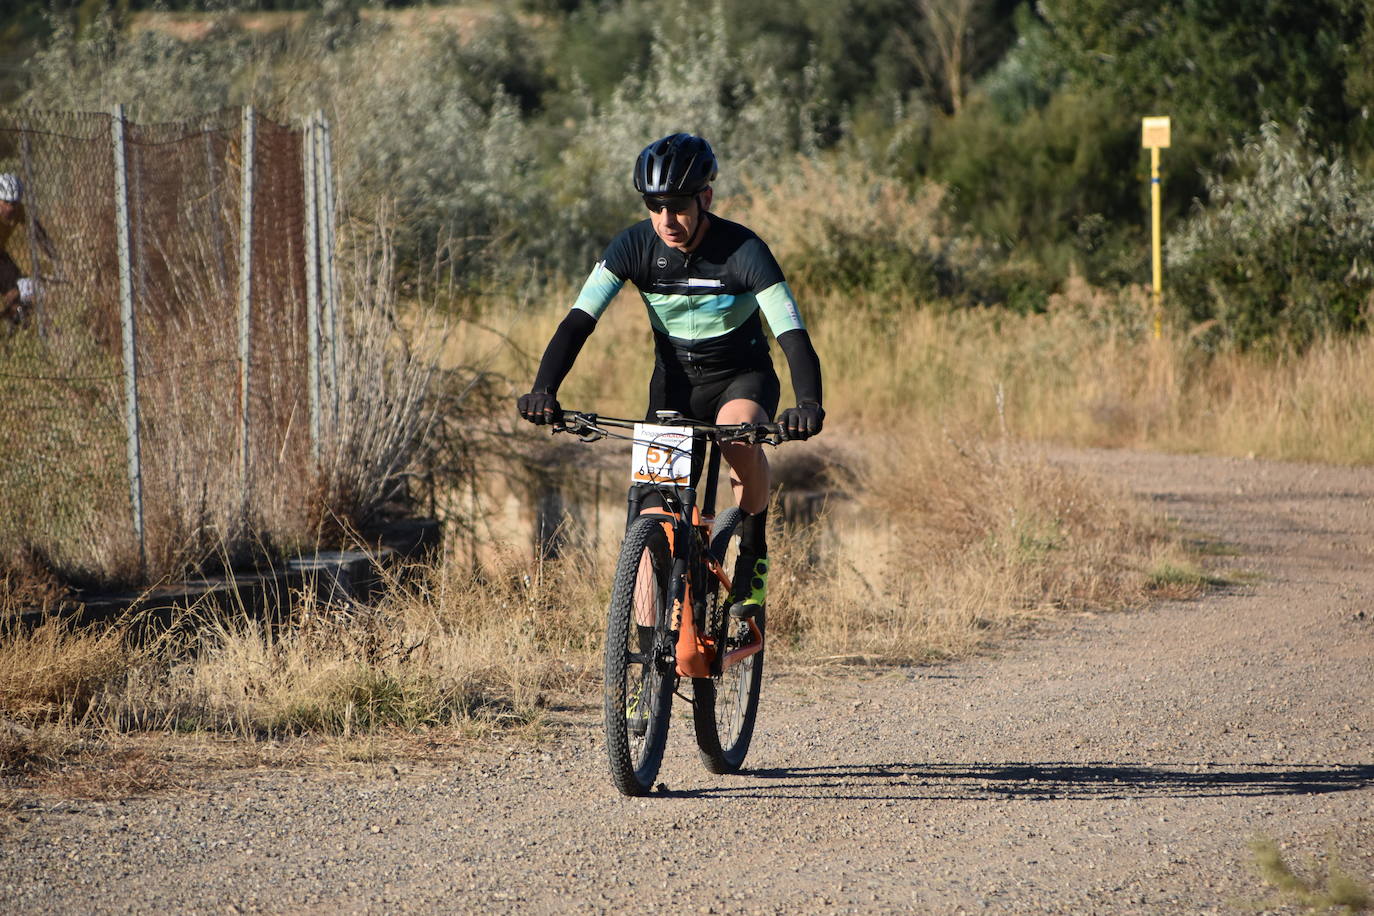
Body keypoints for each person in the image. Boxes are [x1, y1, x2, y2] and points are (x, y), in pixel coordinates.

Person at [517, 133, 824, 618]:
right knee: (650, 515)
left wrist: (808, 403)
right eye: (654, 206)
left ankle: (753, 547)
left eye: (678, 206)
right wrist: (544, 390)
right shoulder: (634, 246)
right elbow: (578, 322)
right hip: (674, 385)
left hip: (741, 376)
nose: (666, 221)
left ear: (706, 198)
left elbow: (792, 335)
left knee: (736, 437)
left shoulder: (743, 249)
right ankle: (641, 670)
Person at [0, 173, 47, 329]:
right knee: (14, 288)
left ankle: (14, 321)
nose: (10, 208)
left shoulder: (19, 210)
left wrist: (54, 256)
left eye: (14, 203)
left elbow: (37, 232)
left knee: (21, 288)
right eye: (6, 202)